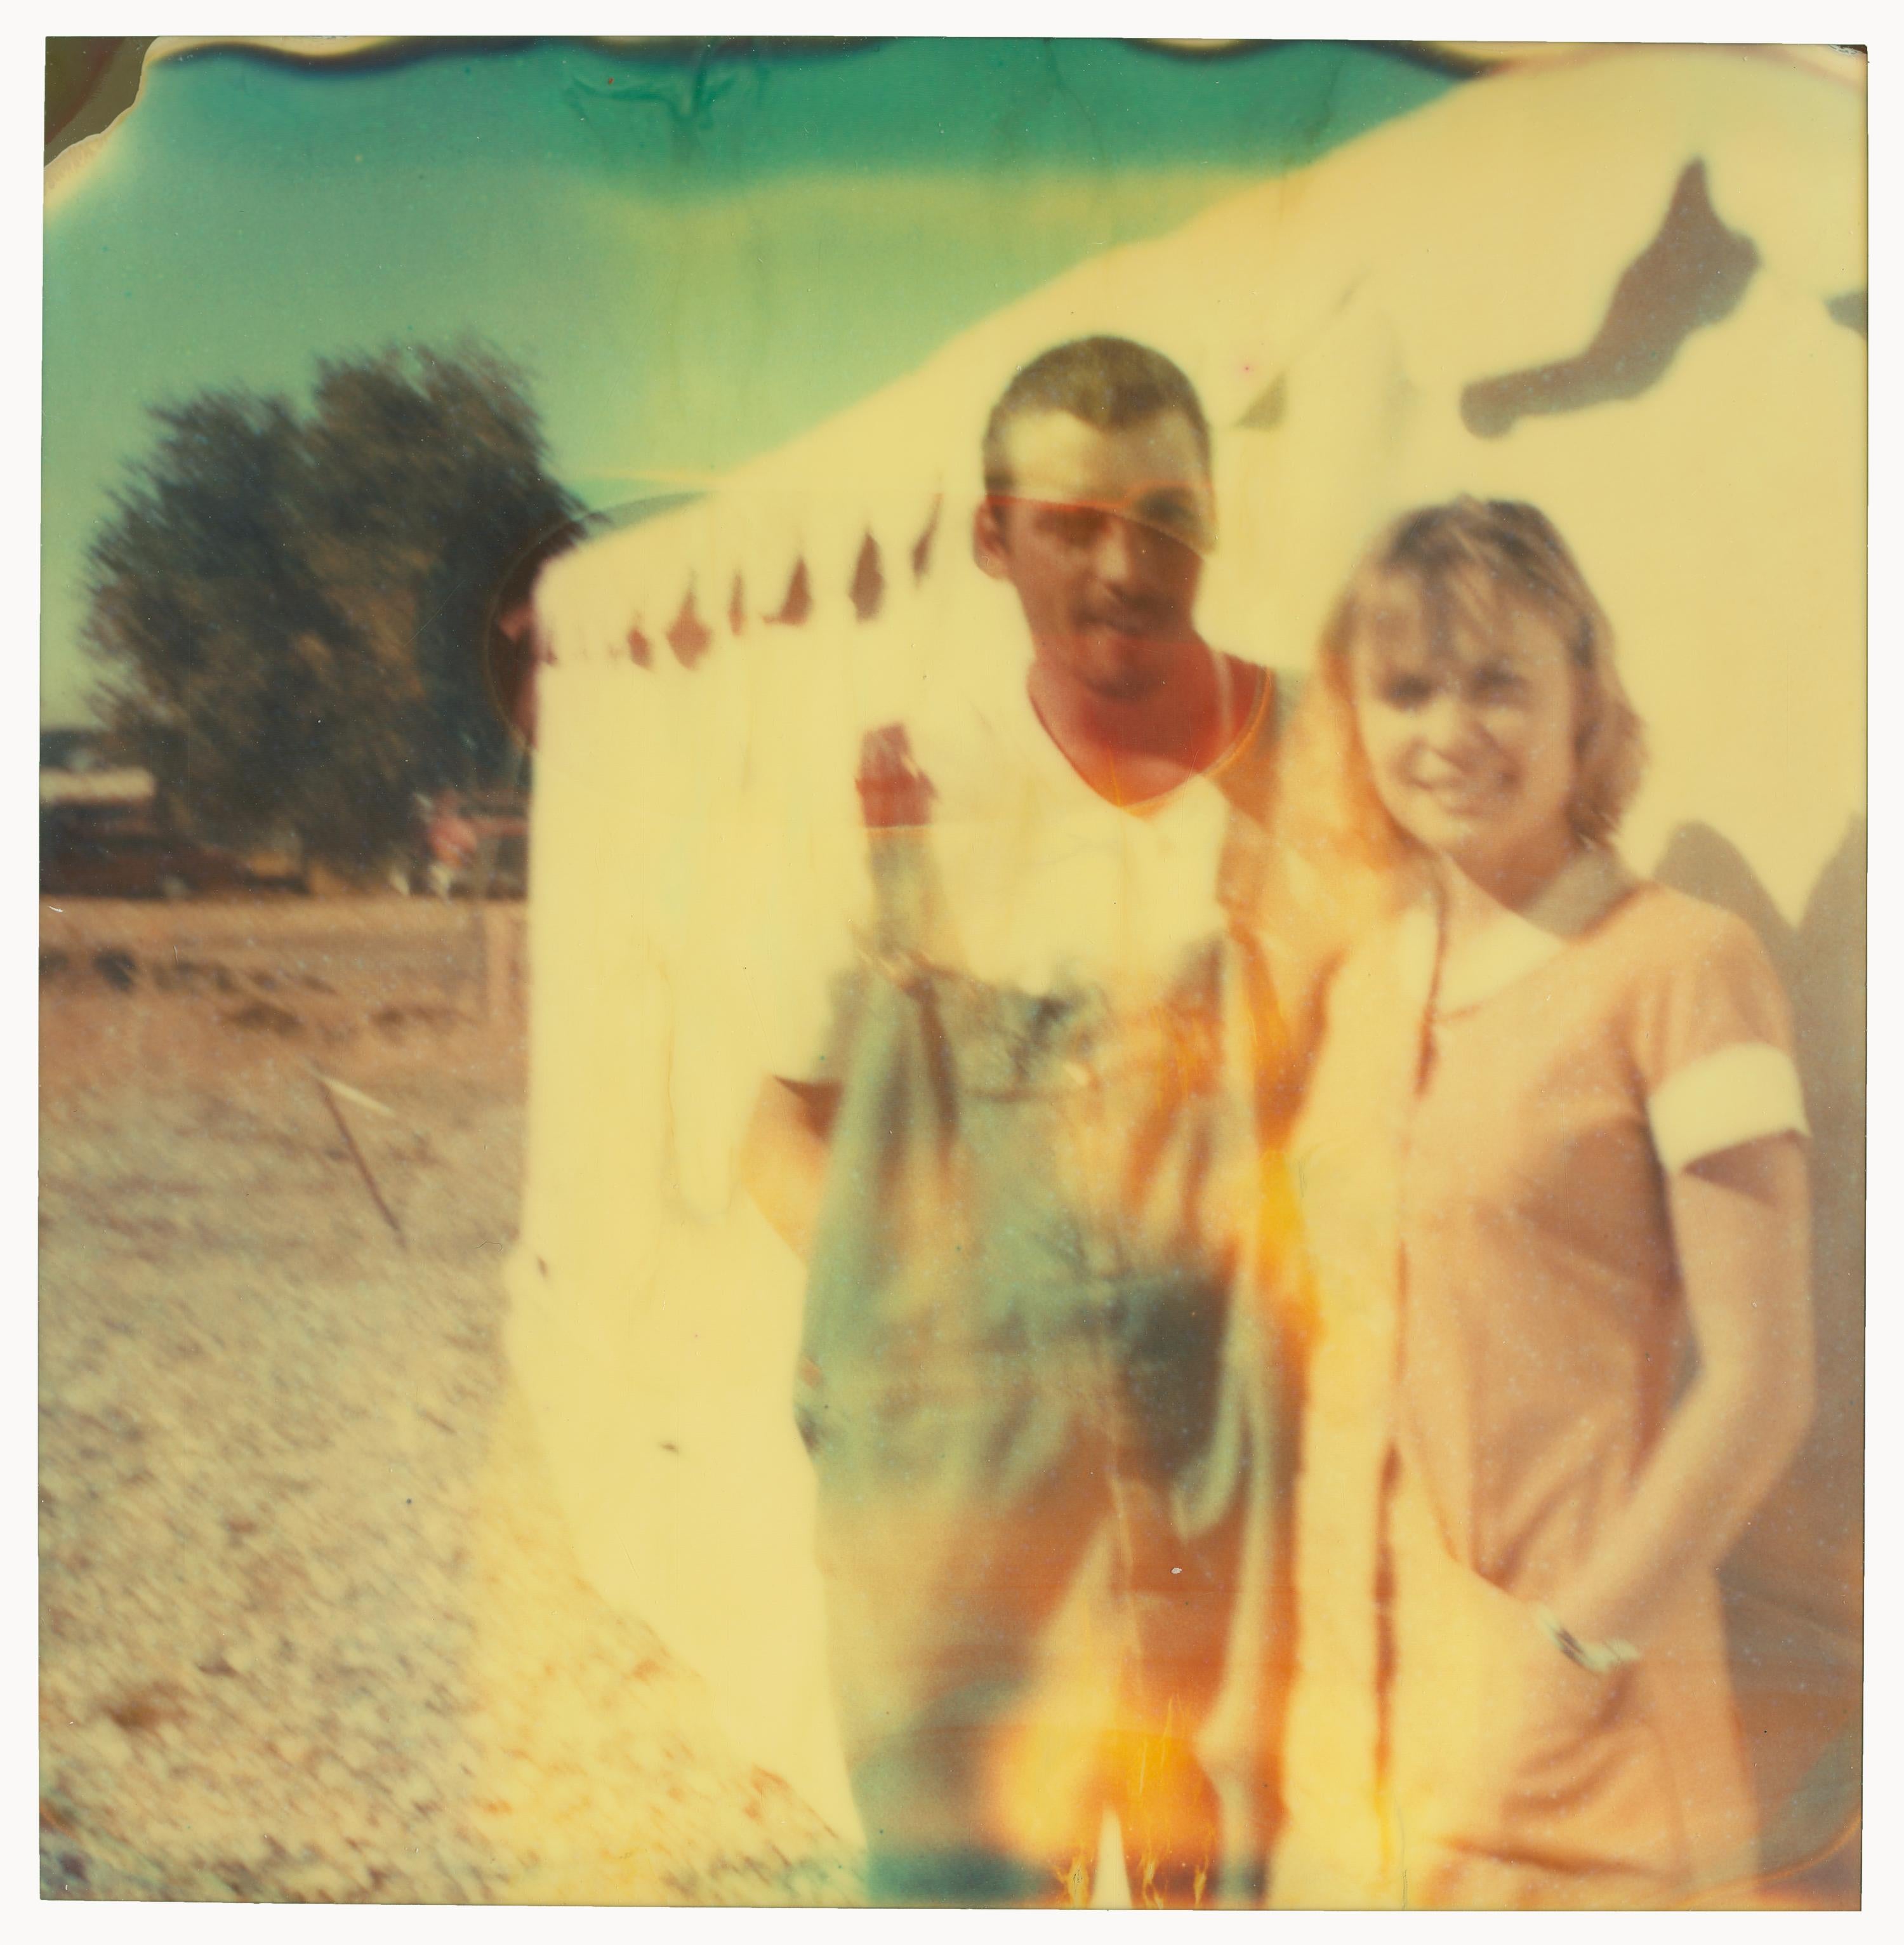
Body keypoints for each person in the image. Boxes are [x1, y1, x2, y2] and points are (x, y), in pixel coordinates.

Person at [739, 337, 1312, 1906]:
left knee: (1253, 1861)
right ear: (994, 536)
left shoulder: (1328, 757)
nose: (1128, 564)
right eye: (1073, 519)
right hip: (975, 1460)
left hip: (1245, 1443)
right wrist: (916, 1331)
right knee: (972, 1875)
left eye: (1168, 515)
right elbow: (781, 1128)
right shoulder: (898, 789)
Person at [1269, 497, 1814, 1909]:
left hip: (1586, 1774)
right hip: (1350, 1765)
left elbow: (1764, 1381)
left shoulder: (1685, 966)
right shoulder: (1359, 986)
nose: (1451, 729)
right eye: (1407, 687)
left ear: (1586, 691)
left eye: (1498, 679)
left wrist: (1571, 1654)